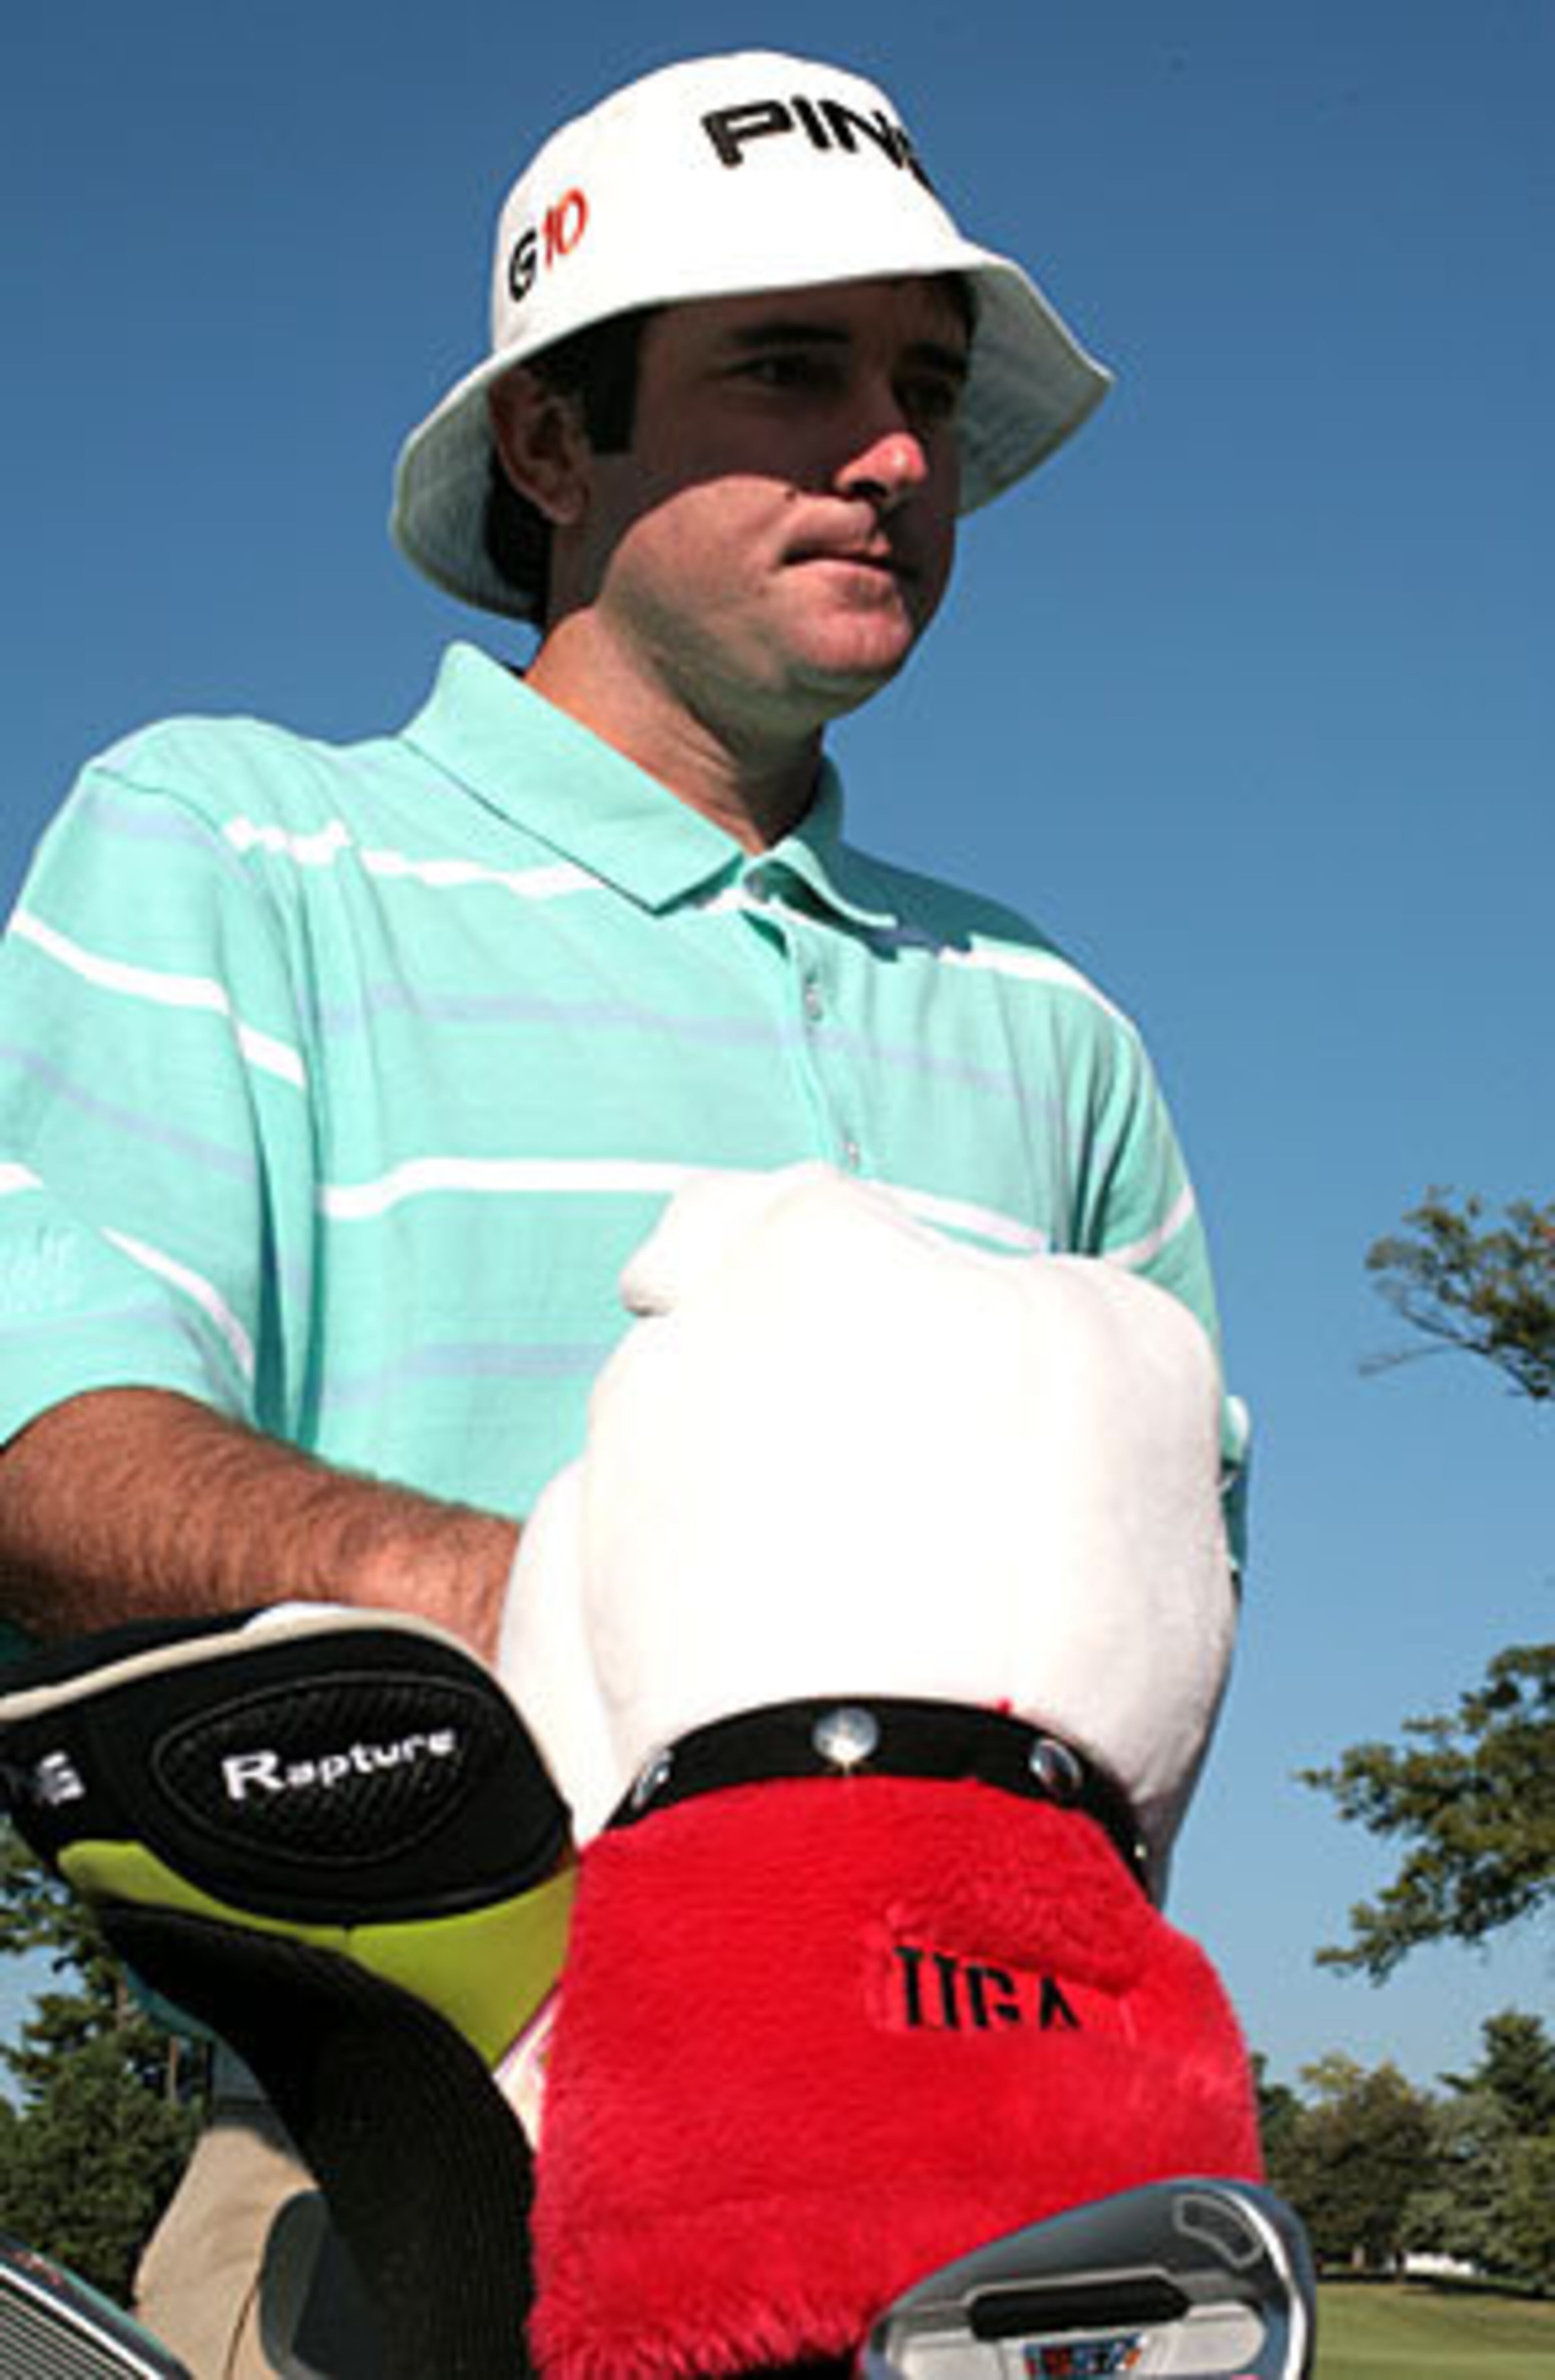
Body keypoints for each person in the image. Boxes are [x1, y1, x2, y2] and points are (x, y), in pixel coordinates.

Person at [0, 48, 1246, 2376]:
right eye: (791, 371)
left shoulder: (1053, 1024)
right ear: (554, 446)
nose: (895, 454)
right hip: (405, 2162)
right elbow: (39, 1441)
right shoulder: (232, 847)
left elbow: (1157, 1663)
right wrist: (604, 1623)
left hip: (1000, 2184)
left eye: (928, 389)